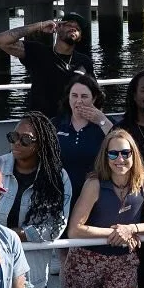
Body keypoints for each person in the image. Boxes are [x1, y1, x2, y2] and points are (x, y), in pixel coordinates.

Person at [0, 111, 73, 288]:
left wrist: (10, 235)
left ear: (41, 145)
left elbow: (54, 227)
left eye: (26, 140)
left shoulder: (57, 178)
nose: (17, 143)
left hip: (31, 277)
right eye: (13, 137)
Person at [62, 129, 144, 288]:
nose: (120, 159)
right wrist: (116, 234)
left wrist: (132, 229)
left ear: (133, 154)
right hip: (86, 260)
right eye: (113, 154)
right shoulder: (94, 184)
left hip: (124, 260)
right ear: (105, 157)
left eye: (125, 153)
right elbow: (75, 230)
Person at [0, 13, 96, 118]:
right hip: (41, 123)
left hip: (71, 125)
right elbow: (1, 40)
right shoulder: (38, 52)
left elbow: (94, 94)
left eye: (77, 28)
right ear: (58, 27)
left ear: (79, 37)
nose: (73, 29)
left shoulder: (84, 61)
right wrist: (40, 26)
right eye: (69, 25)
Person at [54, 73, 111, 204]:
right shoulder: (56, 124)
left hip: (95, 193)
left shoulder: (105, 124)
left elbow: (122, 143)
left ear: (94, 98)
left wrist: (102, 121)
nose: (78, 101)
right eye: (74, 96)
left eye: (84, 96)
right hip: (61, 192)